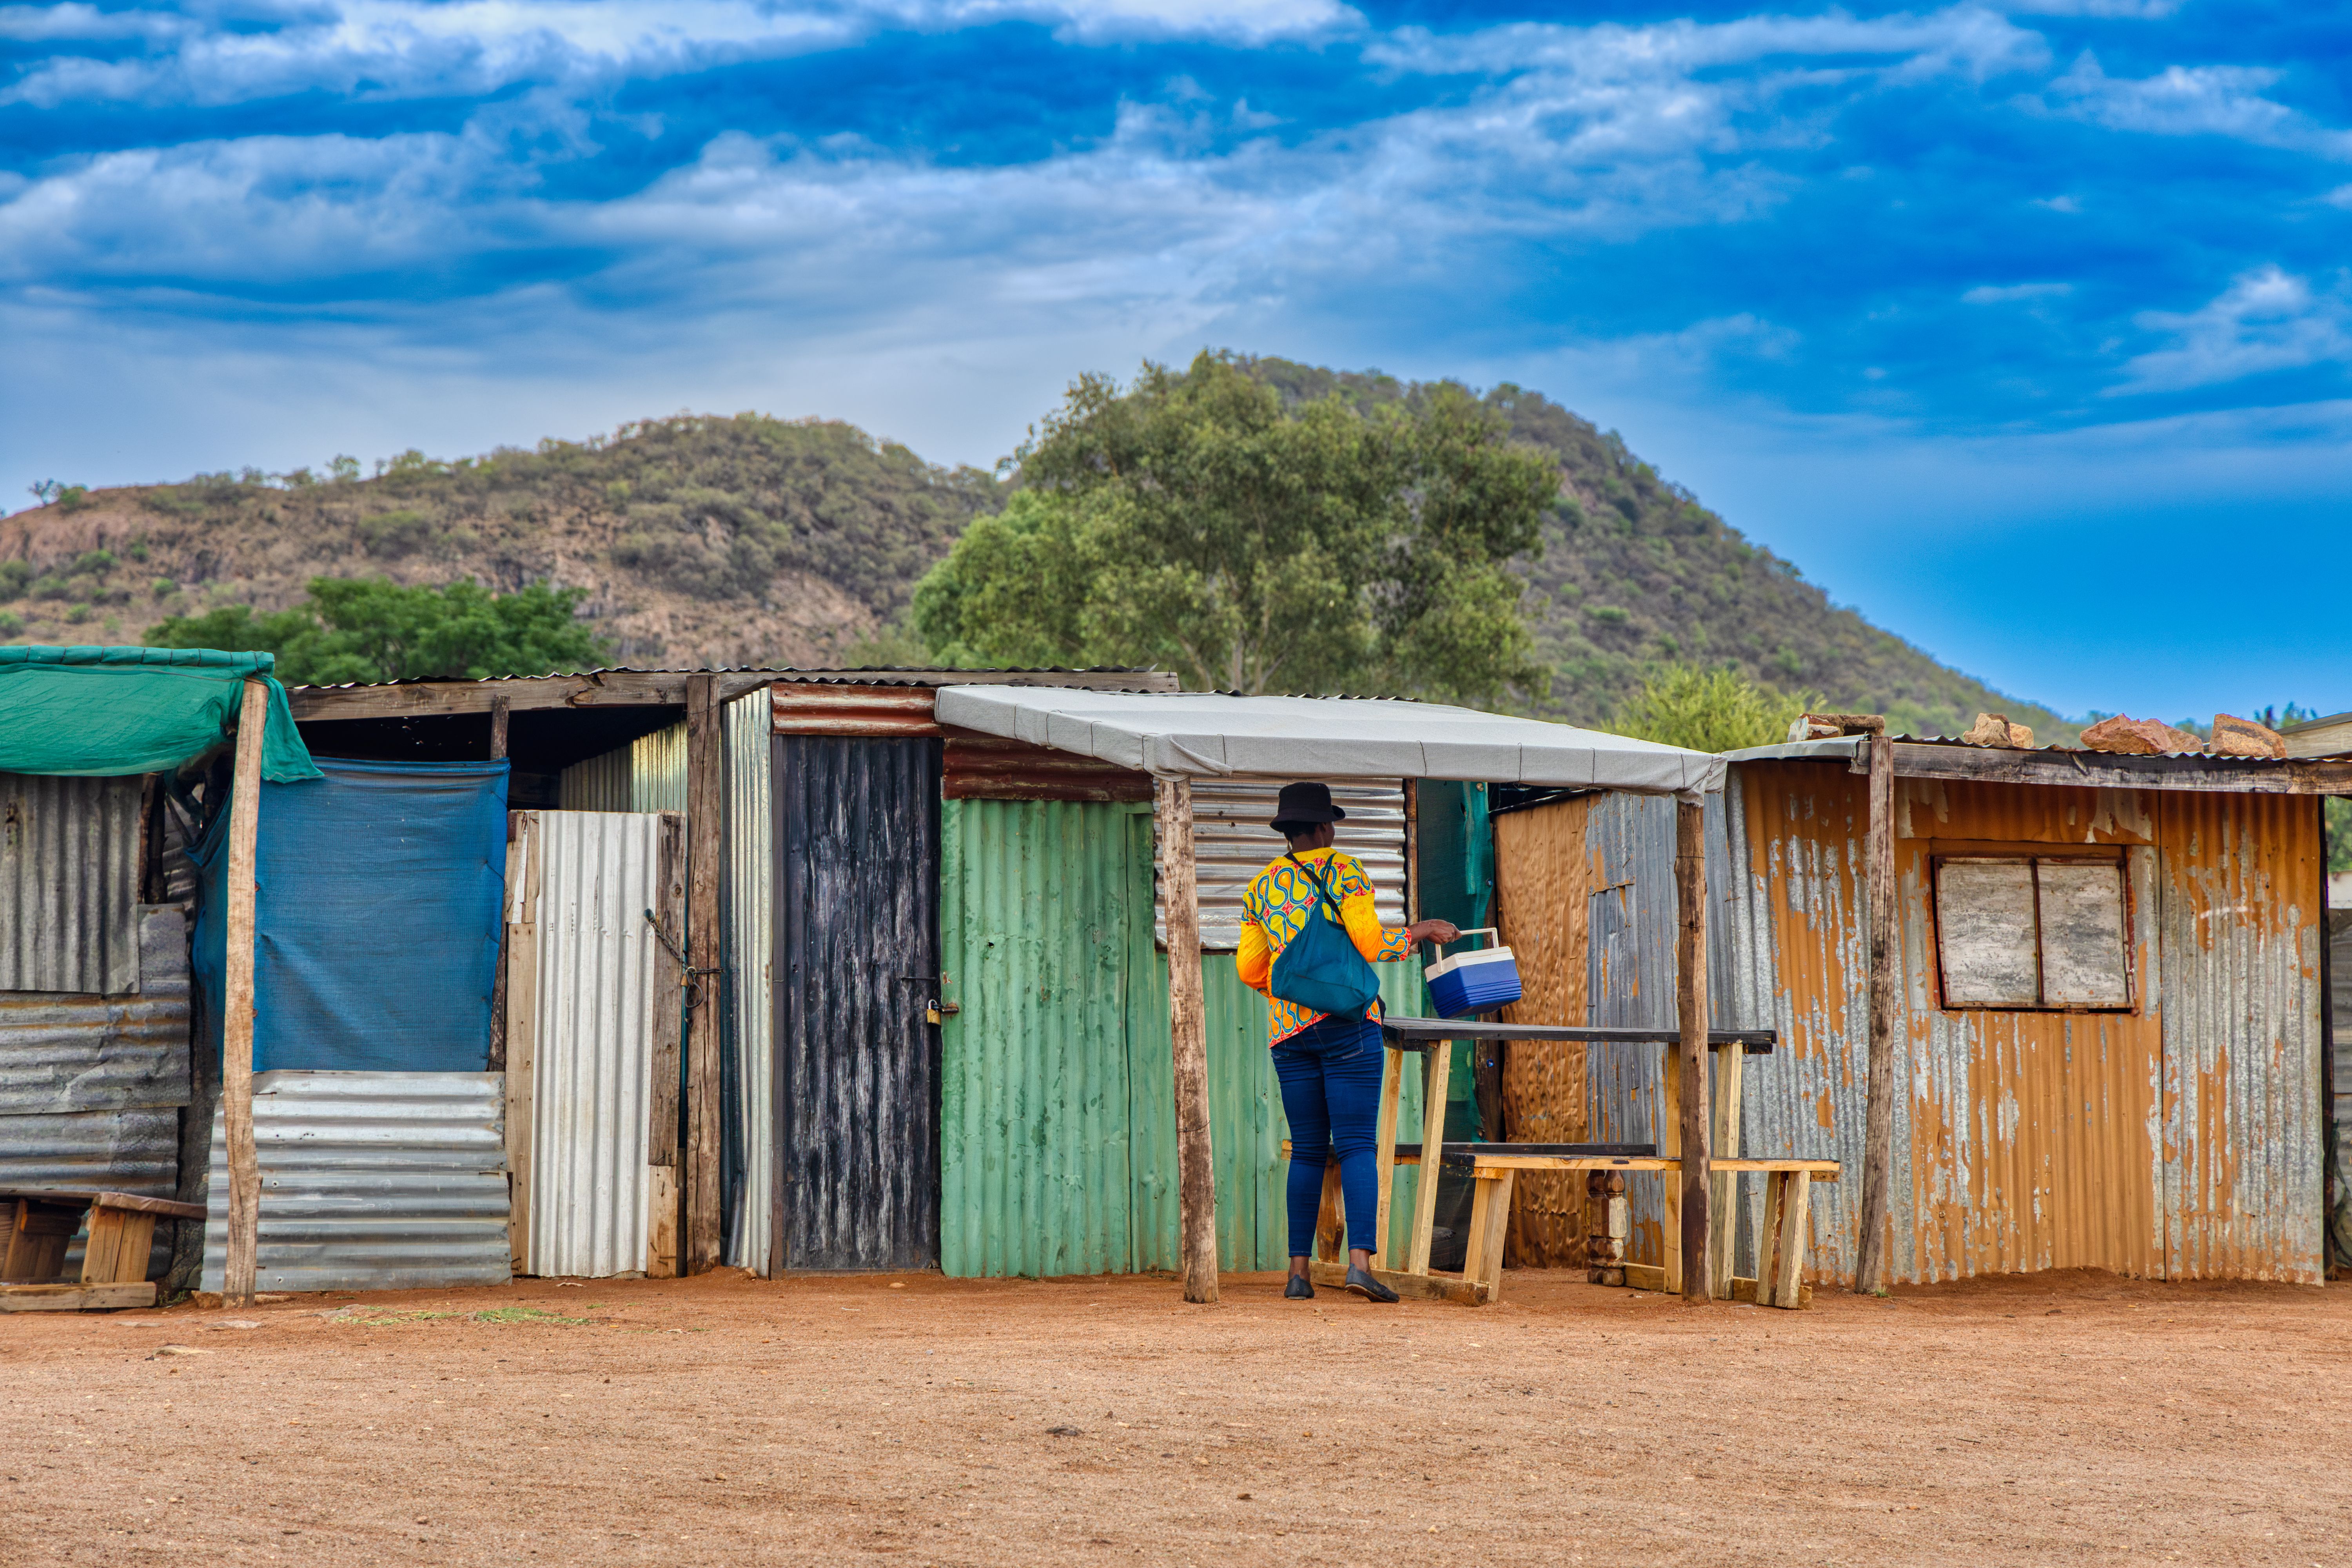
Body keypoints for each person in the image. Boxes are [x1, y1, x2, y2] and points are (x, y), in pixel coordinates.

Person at [1235, 781, 1457, 1302]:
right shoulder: (1345, 871)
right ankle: (1359, 1266)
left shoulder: (1261, 887)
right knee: (1356, 1144)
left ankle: (1298, 1275)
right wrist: (1421, 930)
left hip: (1289, 1033)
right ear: (1323, 828)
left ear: (1287, 832)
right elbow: (1372, 944)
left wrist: (1297, 992)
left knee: (1308, 1151)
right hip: (1349, 1026)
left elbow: (1249, 968)